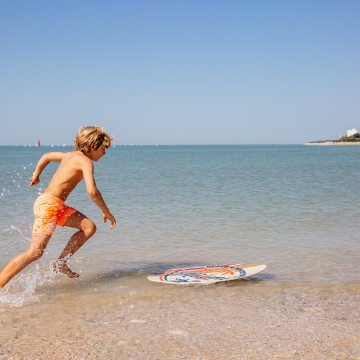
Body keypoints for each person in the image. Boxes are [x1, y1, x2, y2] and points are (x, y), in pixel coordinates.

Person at [0, 126, 117, 289]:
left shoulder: (68, 156)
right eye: (104, 149)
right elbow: (92, 191)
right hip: (48, 205)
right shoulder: (85, 161)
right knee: (34, 253)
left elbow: (46, 156)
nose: (104, 153)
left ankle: (61, 262)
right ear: (93, 146)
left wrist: (37, 174)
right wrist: (106, 211)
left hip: (56, 206)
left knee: (88, 227)